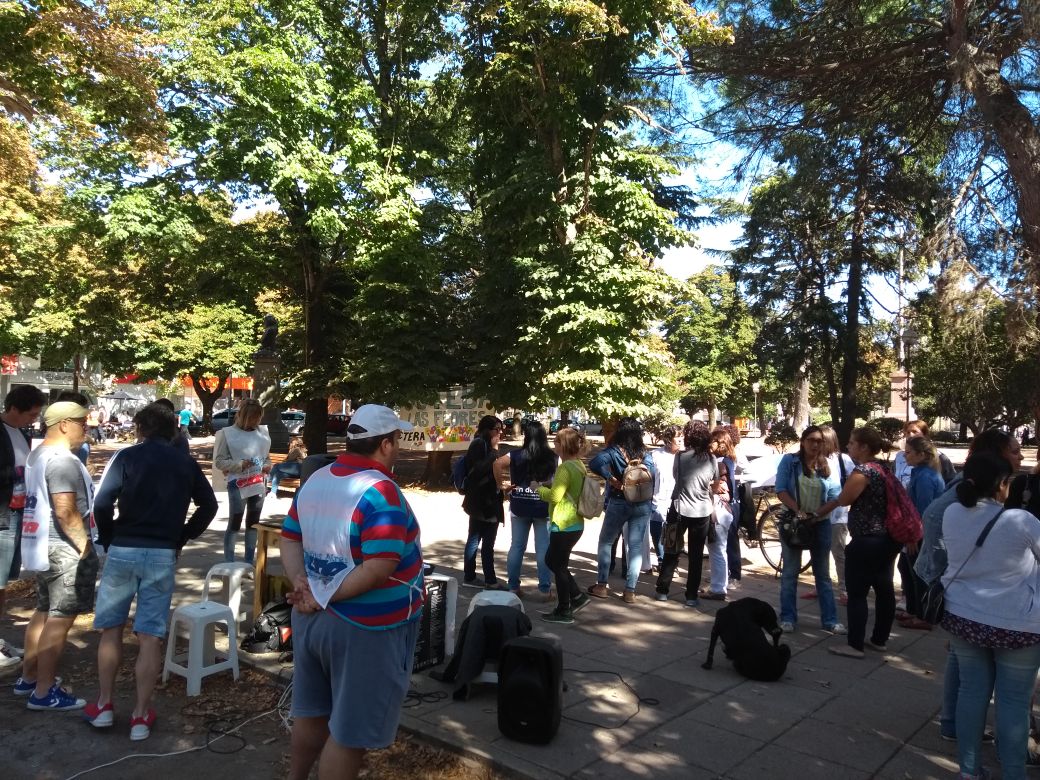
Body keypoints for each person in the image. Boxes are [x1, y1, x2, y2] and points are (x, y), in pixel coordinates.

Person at [279, 404, 424, 780]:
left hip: (312, 620)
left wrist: (301, 583)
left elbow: (290, 537)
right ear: (386, 445)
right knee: (349, 733)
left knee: (312, 712)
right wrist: (319, 594)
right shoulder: (380, 492)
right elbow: (378, 568)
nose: (398, 447)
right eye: (397, 441)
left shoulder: (317, 478)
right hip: (363, 629)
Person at [84, 403, 218, 740]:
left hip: (124, 548)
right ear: (172, 430)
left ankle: (104, 704)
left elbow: (102, 503)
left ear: (141, 428)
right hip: (161, 551)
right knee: (150, 635)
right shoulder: (185, 462)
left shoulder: (127, 457)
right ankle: (141, 715)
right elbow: (209, 505)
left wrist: (109, 537)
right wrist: (183, 535)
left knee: (111, 629)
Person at [914, 428, 1027, 745]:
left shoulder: (988, 491)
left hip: (973, 597)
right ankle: (958, 726)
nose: (1021, 457)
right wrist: (945, 582)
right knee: (968, 666)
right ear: (996, 457)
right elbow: (934, 527)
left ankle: (956, 725)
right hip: (969, 598)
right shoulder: (967, 494)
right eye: (1014, 451)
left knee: (963, 661)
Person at [941, 452, 1040, 780]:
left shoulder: (952, 513)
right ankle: (1013, 773)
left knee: (971, 692)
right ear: (1002, 484)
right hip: (1018, 624)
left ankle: (969, 770)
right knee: (1014, 701)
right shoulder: (1020, 520)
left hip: (963, 617)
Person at [15, 401, 97, 711]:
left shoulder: (38, 454)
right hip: (65, 548)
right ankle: (44, 691)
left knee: (43, 610)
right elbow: (65, 510)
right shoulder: (62, 461)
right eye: (81, 423)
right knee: (60, 618)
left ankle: (29, 677)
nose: (86, 429)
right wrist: (85, 548)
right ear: (63, 424)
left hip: (42, 543)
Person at [817, 427, 900, 658]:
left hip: (866, 540)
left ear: (864, 447)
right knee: (884, 589)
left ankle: (854, 644)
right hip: (887, 538)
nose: (848, 446)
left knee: (857, 593)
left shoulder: (863, 471)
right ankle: (880, 639)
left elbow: (844, 499)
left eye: (852, 443)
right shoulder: (883, 468)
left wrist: (819, 512)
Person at [773, 425, 844, 634]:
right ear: (803, 442)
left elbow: (835, 497)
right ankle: (788, 617)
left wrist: (816, 514)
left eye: (819, 441)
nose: (815, 445)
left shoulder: (827, 465)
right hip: (794, 522)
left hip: (820, 523)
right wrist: (799, 511)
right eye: (811, 440)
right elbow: (781, 489)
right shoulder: (790, 461)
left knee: (822, 574)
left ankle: (830, 620)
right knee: (790, 572)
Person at [0, 385, 46, 666]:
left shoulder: (22, 433)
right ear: (14, 408)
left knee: (3, 582)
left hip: (17, 515)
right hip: (3, 516)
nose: (34, 419)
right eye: (31, 414)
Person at [589, 417, 656, 604]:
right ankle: (630, 591)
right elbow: (652, 475)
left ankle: (602, 586)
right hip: (642, 503)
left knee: (606, 541)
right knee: (635, 547)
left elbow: (594, 463)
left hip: (619, 500)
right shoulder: (645, 453)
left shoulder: (614, 451)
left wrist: (611, 479)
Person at [653, 420, 715, 607]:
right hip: (702, 510)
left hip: (679, 507)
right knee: (696, 555)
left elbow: (676, 476)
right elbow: (714, 481)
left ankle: (662, 590)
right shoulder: (711, 458)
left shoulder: (680, 457)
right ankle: (691, 596)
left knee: (672, 549)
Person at [493, 421, 555, 600]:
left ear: (526, 436)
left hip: (519, 506)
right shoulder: (553, 457)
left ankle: (513, 587)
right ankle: (544, 589)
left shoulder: (515, 454)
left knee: (517, 546)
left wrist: (501, 485)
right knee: (543, 548)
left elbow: (497, 464)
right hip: (543, 507)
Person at [538, 427, 592, 624]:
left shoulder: (565, 468)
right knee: (553, 561)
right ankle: (577, 596)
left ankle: (564, 609)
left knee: (558, 566)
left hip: (563, 523)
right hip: (575, 524)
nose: (554, 445)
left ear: (564, 445)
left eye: (557, 442)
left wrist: (538, 489)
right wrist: (550, 485)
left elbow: (554, 496)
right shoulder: (578, 465)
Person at [896, 435, 946, 631]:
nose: (905, 456)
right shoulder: (920, 473)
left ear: (921, 455)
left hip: (921, 533)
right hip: (918, 531)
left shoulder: (925, 477)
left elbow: (923, 511)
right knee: (905, 567)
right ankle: (913, 609)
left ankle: (923, 614)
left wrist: (913, 537)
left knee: (918, 573)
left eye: (908, 453)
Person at [213, 398, 271, 564]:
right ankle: (229, 562)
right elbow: (219, 461)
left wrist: (267, 465)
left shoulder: (262, 433)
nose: (255, 422)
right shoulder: (228, 434)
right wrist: (239, 465)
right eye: (252, 419)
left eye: (258, 419)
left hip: (258, 482)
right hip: (238, 483)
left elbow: (266, 456)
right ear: (243, 417)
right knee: (235, 522)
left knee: (253, 523)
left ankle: (249, 562)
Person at [459, 416, 506, 590]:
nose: (500, 432)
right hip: (483, 502)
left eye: (501, 429)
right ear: (487, 429)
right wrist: (494, 452)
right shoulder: (479, 444)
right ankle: (488, 580)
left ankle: (471, 576)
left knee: (476, 539)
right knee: (484, 542)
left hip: (483, 500)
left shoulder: (483, 443)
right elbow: (477, 470)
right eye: (496, 429)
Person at [816, 425, 853, 606]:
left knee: (838, 552)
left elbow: (853, 482)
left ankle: (845, 589)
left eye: (820, 440)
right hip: (817, 514)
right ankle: (820, 586)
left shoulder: (842, 460)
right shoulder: (814, 459)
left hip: (838, 515)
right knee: (819, 552)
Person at [649, 425, 682, 573]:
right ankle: (662, 560)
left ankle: (672, 564)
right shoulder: (655, 455)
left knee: (674, 533)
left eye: (682, 437)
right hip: (658, 499)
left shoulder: (684, 455)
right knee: (656, 531)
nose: (681, 440)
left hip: (678, 500)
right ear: (669, 439)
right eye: (678, 437)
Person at [722, 423, 750, 590]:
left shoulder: (735, 454)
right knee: (722, 539)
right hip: (723, 499)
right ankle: (723, 573)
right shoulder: (721, 455)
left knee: (731, 538)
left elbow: (747, 471)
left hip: (733, 500)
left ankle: (734, 575)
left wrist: (737, 478)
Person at [893, 419, 955, 486]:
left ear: (925, 435)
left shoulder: (939, 457)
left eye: (914, 431)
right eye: (908, 432)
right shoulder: (900, 457)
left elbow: (951, 483)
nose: (910, 435)